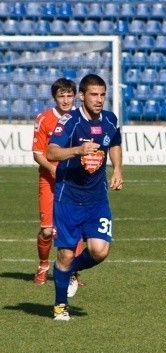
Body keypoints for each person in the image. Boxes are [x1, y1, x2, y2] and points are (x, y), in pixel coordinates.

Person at [46, 74, 123, 321]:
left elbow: (115, 143)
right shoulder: (70, 122)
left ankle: (70, 272)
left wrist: (118, 170)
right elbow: (51, 151)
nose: (99, 100)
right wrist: (78, 150)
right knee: (65, 255)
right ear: (82, 96)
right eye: (94, 95)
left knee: (99, 251)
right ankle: (60, 305)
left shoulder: (110, 119)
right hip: (68, 199)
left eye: (102, 95)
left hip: (97, 199)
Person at [32, 78, 85, 287]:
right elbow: (37, 153)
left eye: (69, 95)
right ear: (55, 97)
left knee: (74, 228)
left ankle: (72, 272)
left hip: (73, 181)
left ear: (75, 96)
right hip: (49, 179)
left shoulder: (81, 119)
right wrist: (53, 168)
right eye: (61, 96)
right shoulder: (44, 119)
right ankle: (43, 264)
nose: (65, 100)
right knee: (47, 230)